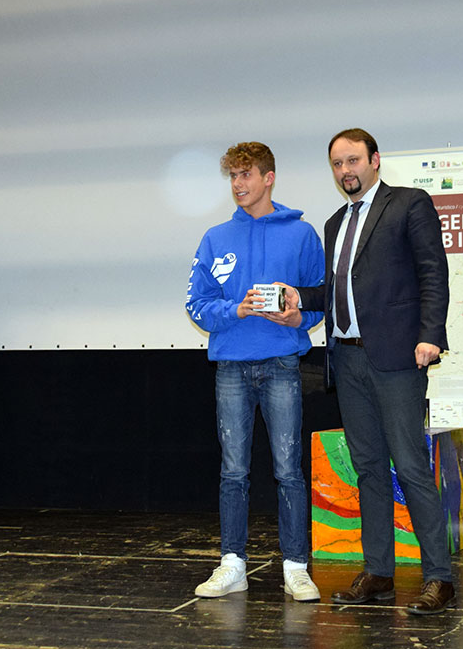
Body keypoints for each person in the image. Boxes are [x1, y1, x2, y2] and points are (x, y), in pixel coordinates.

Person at [270, 128, 455, 614]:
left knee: (410, 466)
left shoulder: (409, 204)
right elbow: (337, 290)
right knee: (368, 467)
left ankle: (439, 577)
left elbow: (433, 272)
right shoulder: (335, 222)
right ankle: (378, 573)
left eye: (353, 160)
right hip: (347, 359)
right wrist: (299, 297)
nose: (345, 171)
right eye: (337, 164)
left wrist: (431, 334)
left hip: (398, 358)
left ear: (375, 160)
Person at [185, 141, 324, 602]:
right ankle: (233, 564)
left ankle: (296, 567)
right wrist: (236, 310)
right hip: (231, 366)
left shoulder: (302, 234)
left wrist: (297, 317)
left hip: (283, 364)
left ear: (269, 178)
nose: (238, 184)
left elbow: (320, 297)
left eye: (246, 175)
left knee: (289, 470)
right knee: (233, 471)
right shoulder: (215, 238)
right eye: (233, 176)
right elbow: (196, 304)